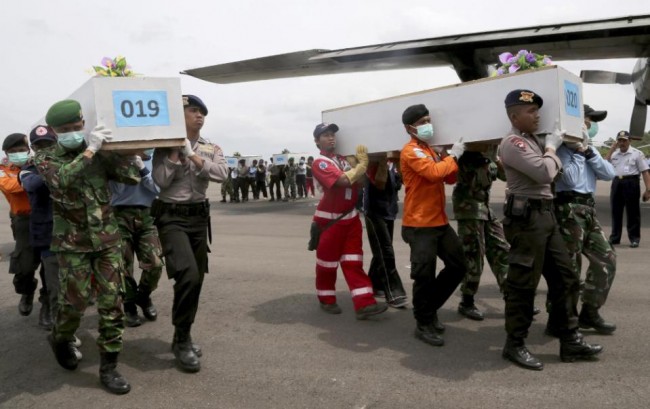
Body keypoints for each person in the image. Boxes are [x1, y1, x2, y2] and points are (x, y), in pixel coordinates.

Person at [36, 99, 141, 394]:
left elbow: (131, 178)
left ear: (84, 123)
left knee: (112, 304)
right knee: (75, 303)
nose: (72, 132)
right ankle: (59, 336)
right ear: (55, 132)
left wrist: (127, 155)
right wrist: (90, 150)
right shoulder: (45, 157)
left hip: (107, 240)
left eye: (76, 127)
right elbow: (59, 181)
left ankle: (109, 367)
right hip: (73, 244)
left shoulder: (98, 152)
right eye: (64, 129)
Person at [498, 89, 602, 370]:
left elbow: (551, 170)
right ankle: (514, 344)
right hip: (526, 220)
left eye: (537, 110)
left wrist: (551, 148)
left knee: (566, 278)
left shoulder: (533, 140)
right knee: (523, 284)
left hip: (546, 216)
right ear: (514, 115)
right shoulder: (513, 143)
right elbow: (545, 172)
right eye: (531, 111)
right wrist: (553, 148)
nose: (537, 115)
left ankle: (569, 338)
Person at [151, 94, 228, 373]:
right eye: (192, 110)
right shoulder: (163, 148)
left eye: (201, 112)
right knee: (188, 274)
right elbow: (160, 180)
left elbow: (222, 173)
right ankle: (182, 340)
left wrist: (192, 155)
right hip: (171, 217)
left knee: (196, 281)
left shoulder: (211, 147)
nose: (199, 115)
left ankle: (181, 336)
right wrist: (174, 152)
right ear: (178, 115)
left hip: (198, 218)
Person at [399, 104, 467, 347]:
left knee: (459, 266)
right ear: (410, 128)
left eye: (429, 120)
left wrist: (446, 156)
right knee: (424, 275)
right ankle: (423, 322)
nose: (428, 125)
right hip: (419, 224)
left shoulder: (429, 149)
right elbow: (434, 174)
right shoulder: (410, 151)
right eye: (422, 122)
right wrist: (454, 156)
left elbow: (449, 177)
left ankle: (428, 309)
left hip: (438, 221)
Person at [311, 122, 387, 319]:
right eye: (325, 135)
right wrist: (359, 167)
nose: (331, 137)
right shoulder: (319, 162)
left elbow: (361, 182)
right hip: (330, 222)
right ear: (317, 141)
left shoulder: (343, 159)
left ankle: (364, 303)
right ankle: (326, 299)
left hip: (350, 218)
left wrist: (358, 168)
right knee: (327, 265)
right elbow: (341, 181)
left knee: (354, 262)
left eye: (332, 134)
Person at [552, 104, 617, 336]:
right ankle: (560, 319)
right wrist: (577, 152)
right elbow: (568, 179)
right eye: (588, 119)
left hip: (588, 209)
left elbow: (609, 173)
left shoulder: (588, 148)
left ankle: (589, 311)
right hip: (567, 208)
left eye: (592, 121)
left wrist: (587, 151)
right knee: (569, 268)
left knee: (606, 260)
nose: (591, 124)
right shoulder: (561, 148)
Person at [452, 147, 508, 321]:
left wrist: (496, 158)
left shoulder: (488, 155)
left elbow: (505, 176)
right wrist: (486, 159)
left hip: (485, 207)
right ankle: (467, 301)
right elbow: (477, 181)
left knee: (502, 249)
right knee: (474, 254)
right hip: (469, 209)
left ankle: (513, 298)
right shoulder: (465, 157)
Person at [109, 150, 163, 328]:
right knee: (123, 266)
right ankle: (129, 304)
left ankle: (143, 296)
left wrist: (142, 169)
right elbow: (116, 190)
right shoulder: (115, 159)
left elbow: (158, 189)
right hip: (119, 215)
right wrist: (125, 165)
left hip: (146, 215)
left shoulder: (155, 159)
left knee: (155, 263)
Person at [1, 133, 43, 319]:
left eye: (21, 150)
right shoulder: (3, 170)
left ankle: (47, 303)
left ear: (29, 150)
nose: (18, 154)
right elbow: (12, 187)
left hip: (47, 217)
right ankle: (27, 291)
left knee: (51, 264)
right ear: (6, 154)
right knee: (24, 266)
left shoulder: (38, 164)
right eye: (13, 152)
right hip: (23, 221)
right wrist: (32, 176)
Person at [362, 155, 408, 308]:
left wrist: (399, 161)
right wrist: (382, 160)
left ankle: (374, 284)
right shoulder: (372, 161)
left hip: (389, 210)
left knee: (381, 251)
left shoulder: (393, 162)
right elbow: (380, 183)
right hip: (375, 212)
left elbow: (401, 182)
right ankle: (393, 291)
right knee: (385, 251)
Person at [605, 130, 650, 247]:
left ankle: (634, 238)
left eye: (624, 140)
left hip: (631, 182)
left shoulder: (637, 154)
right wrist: (611, 149)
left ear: (629, 141)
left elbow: (645, 172)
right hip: (616, 183)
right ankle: (615, 237)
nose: (622, 143)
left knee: (633, 212)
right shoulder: (614, 154)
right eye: (619, 140)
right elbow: (604, 164)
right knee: (616, 211)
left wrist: (648, 189)